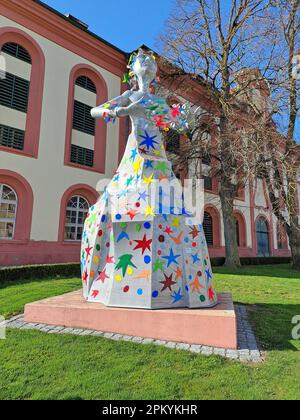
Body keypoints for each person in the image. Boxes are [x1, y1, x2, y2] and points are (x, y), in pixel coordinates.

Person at [81, 49, 217, 309]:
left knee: (168, 207)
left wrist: (183, 117)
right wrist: (121, 112)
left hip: (157, 156)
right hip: (135, 154)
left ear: (154, 72)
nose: (146, 62)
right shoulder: (129, 95)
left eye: (150, 61)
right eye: (141, 60)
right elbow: (94, 111)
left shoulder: (158, 102)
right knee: (125, 201)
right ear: (133, 70)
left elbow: (178, 124)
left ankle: (178, 284)